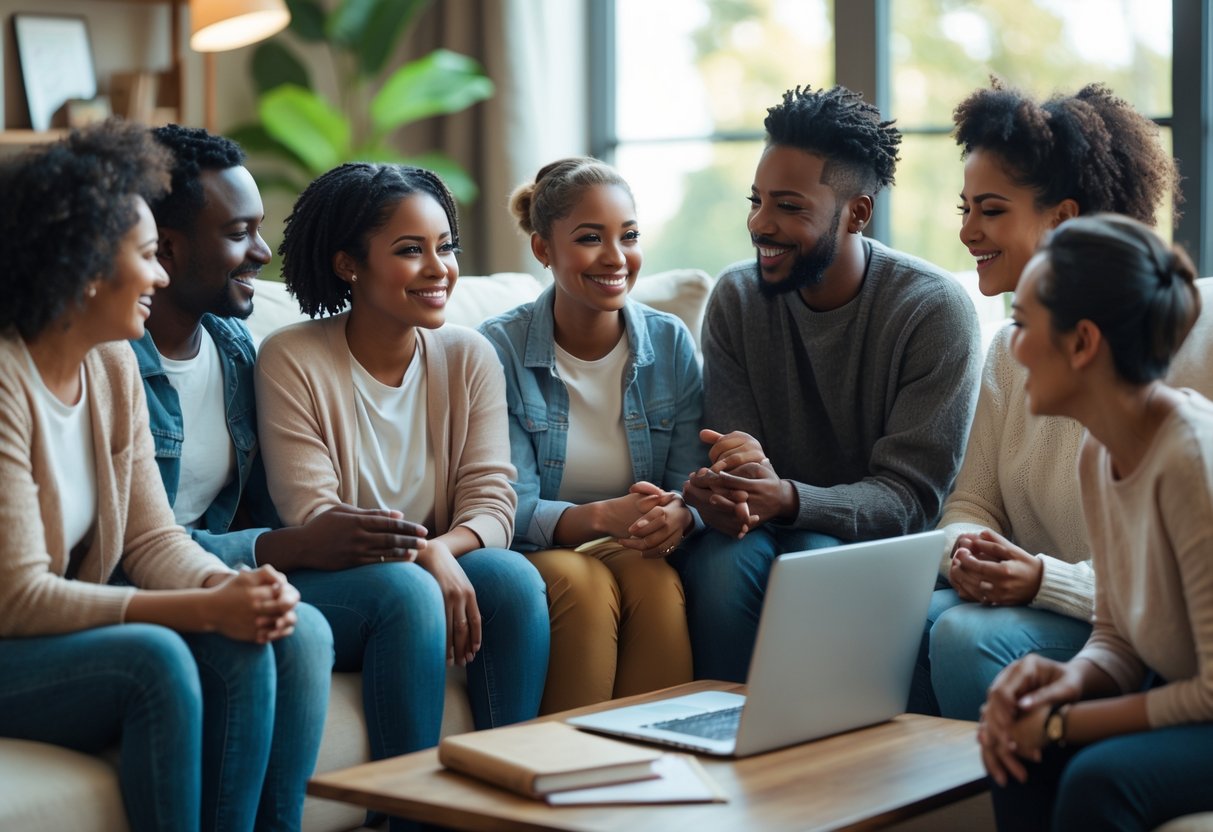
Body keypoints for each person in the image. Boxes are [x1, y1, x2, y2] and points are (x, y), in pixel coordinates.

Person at [0, 120, 324, 831]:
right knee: (155, 658)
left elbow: (149, 539)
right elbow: (18, 598)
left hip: (47, 638)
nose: (159, 275)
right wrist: (203, 609)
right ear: (84, 263)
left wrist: (227, 587)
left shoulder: (112, 363)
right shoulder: (7, 381)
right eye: (147, 255)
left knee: (275, 632)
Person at [913, 81, 1211, 720]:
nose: (967, 232)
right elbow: (970, 503)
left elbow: (1180, 588)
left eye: (990, 210)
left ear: (1063, 219)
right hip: (1059, 609)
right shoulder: (1007, 352)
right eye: (963, 208)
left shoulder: (1193, 337)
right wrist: (972, 553)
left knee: (959, 635)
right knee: (905, 616)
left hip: (1134, 630)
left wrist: (1045, 579)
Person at [672, 84, 982, 682]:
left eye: (789, 207)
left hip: (869, 542)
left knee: (816, 561)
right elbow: (734, 466)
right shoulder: (737, 297)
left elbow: (910, 501)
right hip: (762, 530)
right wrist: (719, 489)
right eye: (756, 200)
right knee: (718, 564)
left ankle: (810, 763)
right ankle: (716, 737)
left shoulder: (932, 310)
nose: (761, 224)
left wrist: (789, 497)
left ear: (857, 213)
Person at [255, 163, 550, 764]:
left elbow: (494, 502)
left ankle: (504, 804)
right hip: (336, 579)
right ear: (348, 264)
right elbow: (313, 513)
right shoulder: (291, 357)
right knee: (407, 593)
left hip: (433, 561)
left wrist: (440, 550)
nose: (439, 268)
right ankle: (411, 818)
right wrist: (423, 558)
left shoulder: (469, 356)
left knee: (515, 580)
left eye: (445, 247)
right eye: (411, 250)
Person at [978, 214, 1213, 831]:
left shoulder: (1189, 457)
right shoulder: (1099, 451)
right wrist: (1059, 681)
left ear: (1082, 343)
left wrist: (1065, 721)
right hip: (1183, 694)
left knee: (1094, 778)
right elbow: (1117, 640)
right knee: (1021, 754)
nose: (1012, 343)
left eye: (1024, 323)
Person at [478, 158, 702, 712]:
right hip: (536, 546)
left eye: (628, 236)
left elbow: (690, 480)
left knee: (656, 585)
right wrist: (601, 516)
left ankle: (658, 770)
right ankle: (566, 773)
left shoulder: (670, 343)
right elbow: (509, 504)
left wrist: (680, 513)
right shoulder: (496, 349)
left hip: (634, 546)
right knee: (582, 583)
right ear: (542, 250)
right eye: (589, 238)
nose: (615, 257)